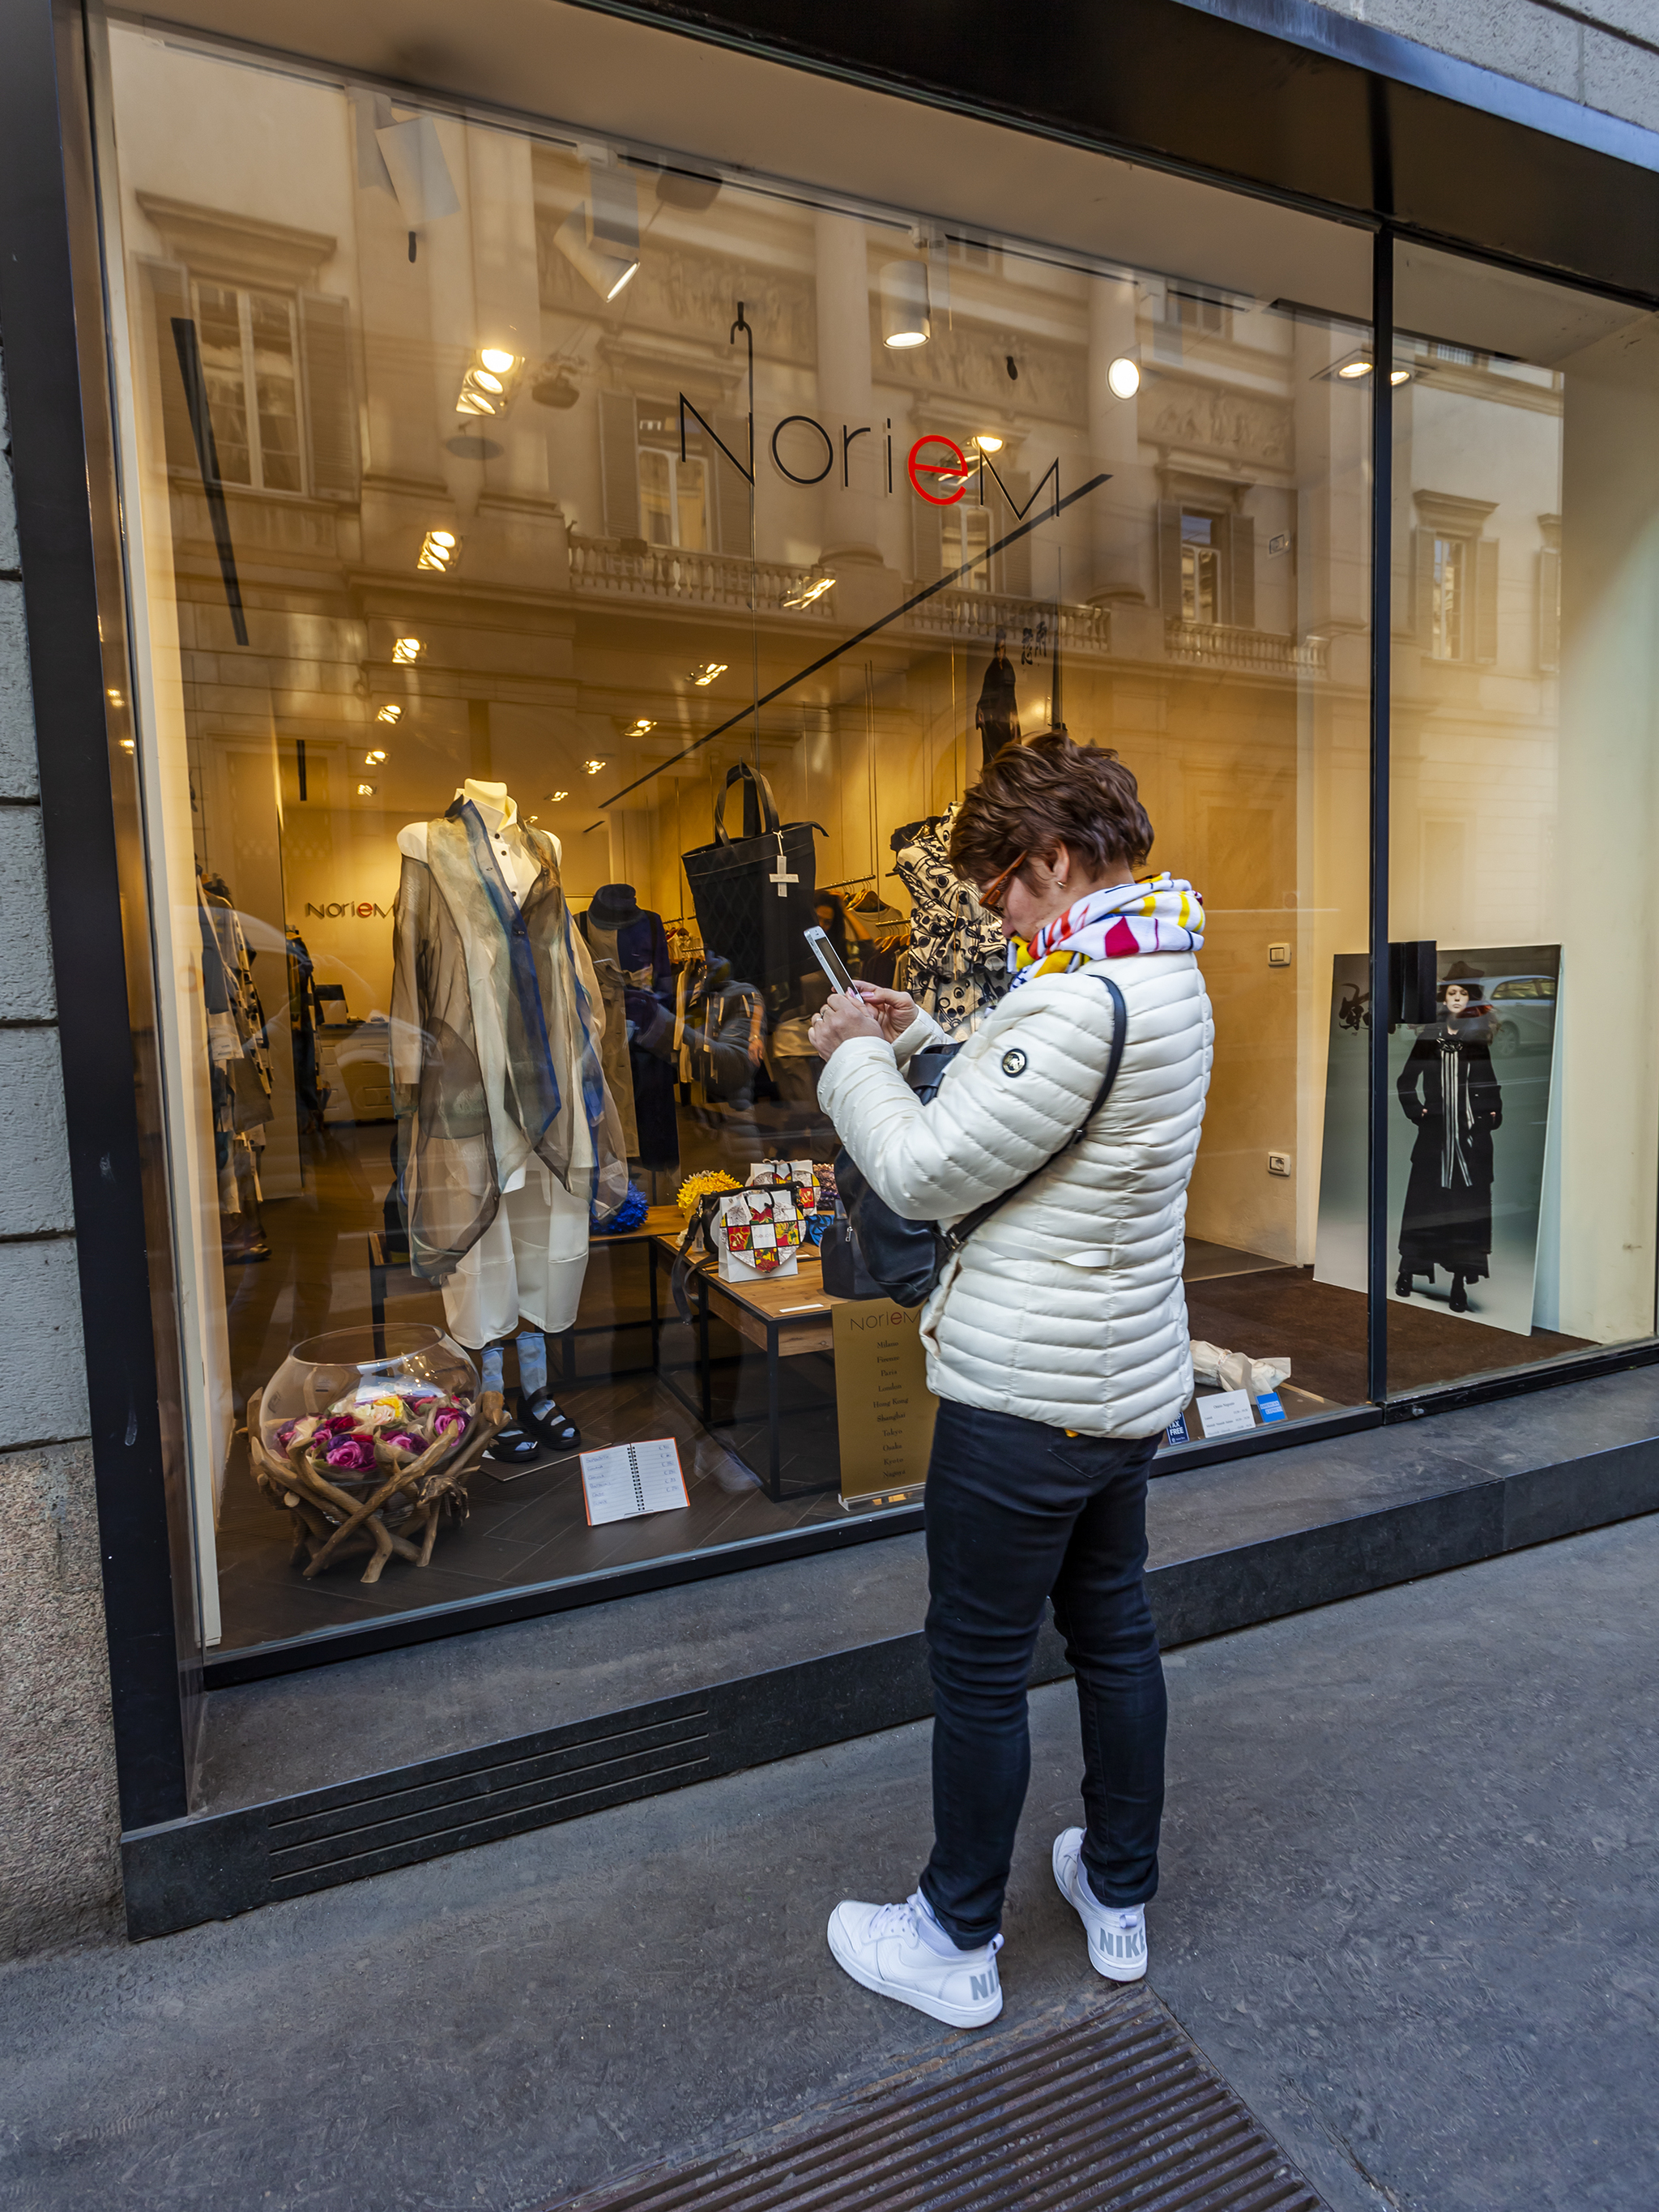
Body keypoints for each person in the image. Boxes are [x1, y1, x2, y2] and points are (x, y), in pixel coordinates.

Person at [807, 730, 1212, 2030]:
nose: (998, 916)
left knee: (980, 1669)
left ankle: (954, 1935)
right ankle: (1119, 1893)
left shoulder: (1079, 997)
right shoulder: (1162, 966)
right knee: (1116, 1636)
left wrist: (851, 1055)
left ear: (1055, 858)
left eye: (1002, 889)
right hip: (1120, 1383)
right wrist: (925, 1030)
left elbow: (925, 1172)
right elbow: (1041, 1108)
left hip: (1024, 1400)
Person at [1395, 963, 1502, 1313]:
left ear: (1471, 1000)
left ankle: (1458, 1283)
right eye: (1452, 993)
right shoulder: (1429, 1038)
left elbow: (1490, 1085)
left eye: (1463, 994)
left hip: (1469, 1142)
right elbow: (1405, 1082)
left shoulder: (1476, 1039)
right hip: (1435, 1141)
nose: (1457, 999)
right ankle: (1407, 1270)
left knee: (1462, 1209)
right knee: (1425, 1205)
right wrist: (1419, 1112)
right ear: (1444, 998)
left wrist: (1490, 1114)